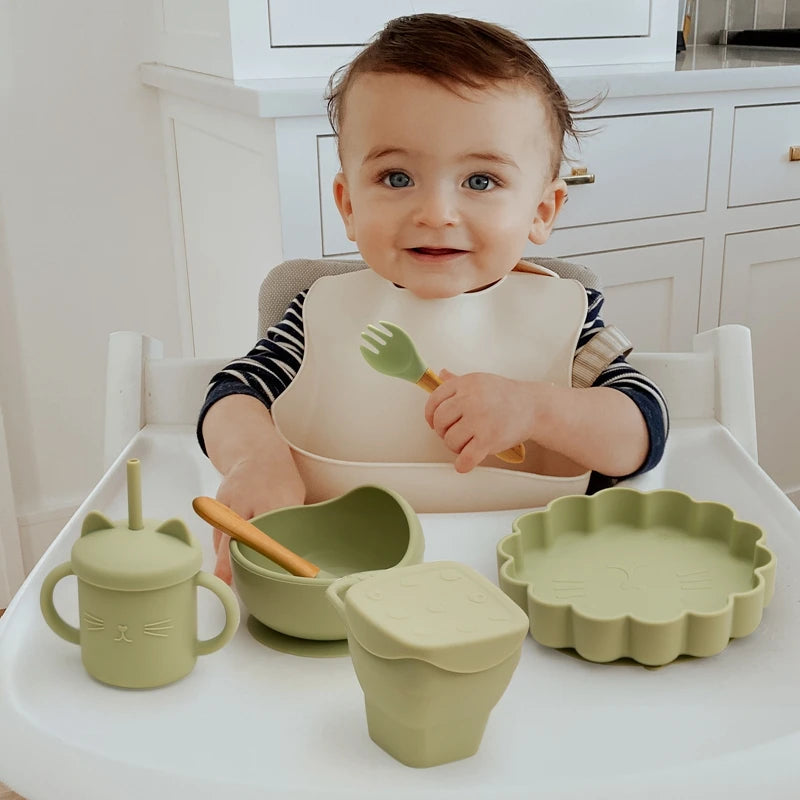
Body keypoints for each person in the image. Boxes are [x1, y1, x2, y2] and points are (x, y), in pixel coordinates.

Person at [198, 13, 669, 584]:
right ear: (348, 205)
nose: (436, 213)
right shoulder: (319, 310)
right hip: (340, 579)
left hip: (528, 582)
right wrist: (256, 457)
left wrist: (537, 408)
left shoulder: (565, 317)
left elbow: (644, 428)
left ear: (542, 212)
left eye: (480, 181)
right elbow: (234, 391)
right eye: (397, 178)